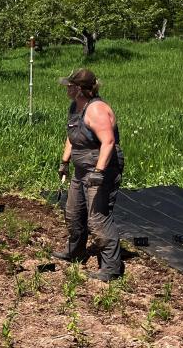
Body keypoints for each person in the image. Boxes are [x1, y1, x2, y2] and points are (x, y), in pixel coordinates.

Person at [52, 68, 126, 282]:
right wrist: (64, 161)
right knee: (73, 212)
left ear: (80, 89)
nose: (67, 88)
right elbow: (72, 136)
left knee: (97, 218)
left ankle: (111, 267)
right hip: (81, 169)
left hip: (100, 169)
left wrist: (99, 172)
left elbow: (108, 142)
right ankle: (75, 251)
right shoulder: (75, 107)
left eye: (70, 86)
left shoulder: (97, 110)